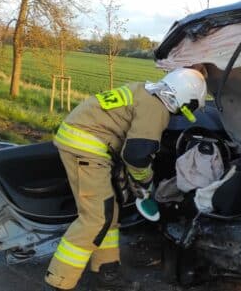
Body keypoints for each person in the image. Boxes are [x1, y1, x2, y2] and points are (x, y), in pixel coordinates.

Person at [43, 68, 207, 291]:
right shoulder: (156, 108)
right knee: (96, 218)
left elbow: (127, 145)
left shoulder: (143, 90)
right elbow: (137, 156)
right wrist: (145, 181)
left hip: (83, 139)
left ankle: (106, 271)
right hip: (88, 147)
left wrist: (132, 179)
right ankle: (59, 281)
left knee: (109, 214)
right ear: (184, 100)